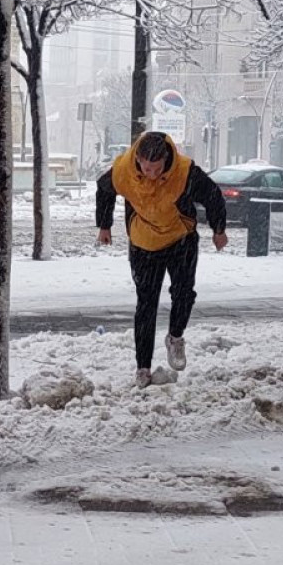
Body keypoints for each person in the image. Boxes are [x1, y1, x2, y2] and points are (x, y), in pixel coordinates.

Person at [96, 131, 227, 388]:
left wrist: (219, 229)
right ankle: (143, 367)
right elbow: (103, 189)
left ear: (166, 159)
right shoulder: (124, 170)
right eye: (146, 168)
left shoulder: (184, 172)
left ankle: (175, 338)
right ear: (139, 159)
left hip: (181, 238)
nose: (152, 175)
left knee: (184, 293)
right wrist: (104, 225)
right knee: (146, 304)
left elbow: (213, 196)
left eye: (157, 169)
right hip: (144, 243)